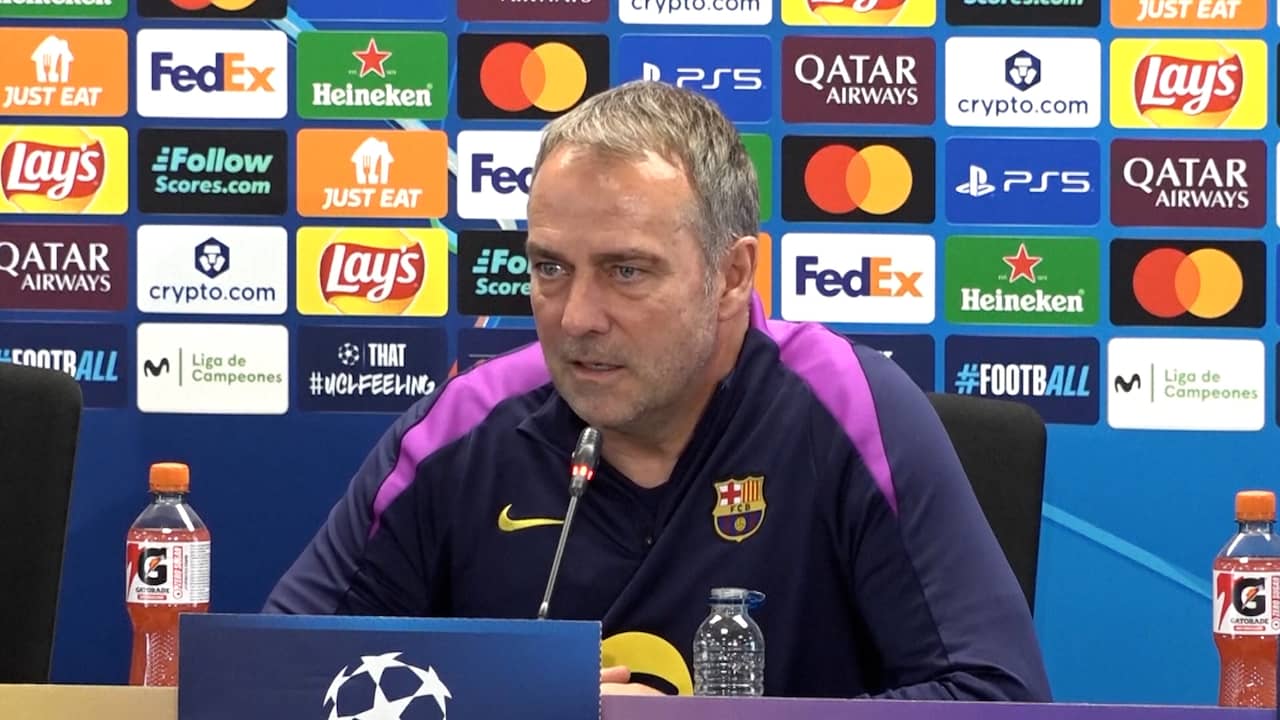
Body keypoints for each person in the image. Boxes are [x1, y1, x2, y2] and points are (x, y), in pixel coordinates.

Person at [264, 79, 1053, 702]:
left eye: (626, 271)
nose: (578, 317)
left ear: (733, 275)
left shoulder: (851, 409)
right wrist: (518, 704)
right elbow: (274, 679)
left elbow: (996, 699)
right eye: (550, 268)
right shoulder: (461, 428)